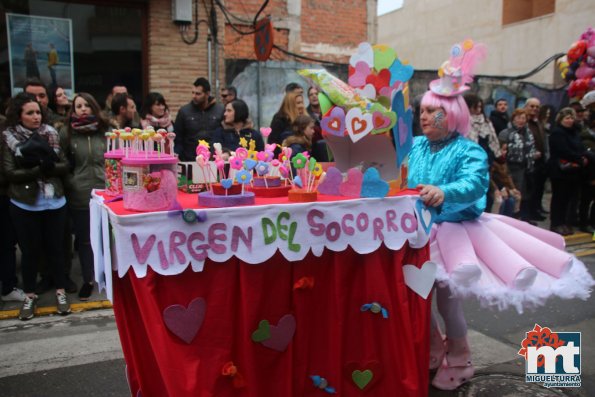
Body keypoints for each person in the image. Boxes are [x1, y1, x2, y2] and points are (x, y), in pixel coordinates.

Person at [409, 40, 595, 391]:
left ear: (453, 116)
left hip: (456, 233)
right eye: (422, 110)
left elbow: (475, 182)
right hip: (416, 232)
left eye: (433, 111)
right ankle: (433, 350)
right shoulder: (416, 145)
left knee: (448, 304)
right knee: (417, 300)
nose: (424, 116)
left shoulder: (470, 149)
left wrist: (445, 192)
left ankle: (461, 360)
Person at [2, 92, 71, 320]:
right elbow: (10, 173)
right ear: (19, 115)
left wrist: (48, 166)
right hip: (25, 203)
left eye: (38, 112)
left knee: (56, 249)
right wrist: (38, 167)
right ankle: (29, 296)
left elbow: (64, 166)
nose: (36, 117)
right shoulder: (10, 138)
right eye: (30, 113)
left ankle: (61, 292)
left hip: (54, 201)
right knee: (30, 252)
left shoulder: (51, 134)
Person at [60, 93, 110, 300]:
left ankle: (108, 275)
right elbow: (61, 161)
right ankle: (89, 279)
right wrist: (72, 181)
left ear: (93, 107)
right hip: (79, 193)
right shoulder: (67, 133)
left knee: (107, 237)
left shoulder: (105, 130)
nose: (82, 109)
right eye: (77, 106)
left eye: (86, 105)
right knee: (85, 240)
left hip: (105, 192)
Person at [548, 108, 589, 236]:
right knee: (559, 198)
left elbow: (581, 147)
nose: (570, 120)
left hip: (573, 171)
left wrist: (583, 156)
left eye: (571, 118)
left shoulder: (574, 132)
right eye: (566, 118)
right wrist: (578, 158)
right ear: (560, 119)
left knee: (568, 199)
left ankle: (564, 222)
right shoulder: (557, 133)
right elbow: (562, 150)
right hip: (560, 170)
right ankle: (556, 223)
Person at [498, 108, 538, 222]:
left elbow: (530, 148)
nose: (521, 120)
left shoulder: (527, 133)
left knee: (523, 193)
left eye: (523, 118)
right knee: (511, 193)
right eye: (518, 118)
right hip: (510, 166)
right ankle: (509, 218)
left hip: (524, 166)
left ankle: (522, 217)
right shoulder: (506, 133)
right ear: (513, 119)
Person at [174, 77, 224, 161]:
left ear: (207, 94)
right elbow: (178, 138)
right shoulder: (184, 111)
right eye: (193, 93)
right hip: (189, 159)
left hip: (214, 160)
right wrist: (177, 155)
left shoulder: (220, 110)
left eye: (198, 94)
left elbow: (224, 134)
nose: (194, 96)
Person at [524, 98, 548, 221]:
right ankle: (527, 214)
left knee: (538, 188)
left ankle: (535, 210)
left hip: (540, 161)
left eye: (537, 107)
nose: (534, 109)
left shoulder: (538, 122)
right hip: (528, 161)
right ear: (526, 107)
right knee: (528, 190)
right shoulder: (524, 121)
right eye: (532, 106)